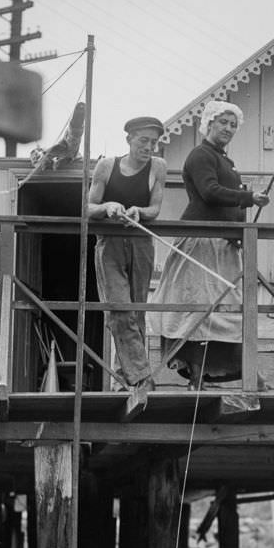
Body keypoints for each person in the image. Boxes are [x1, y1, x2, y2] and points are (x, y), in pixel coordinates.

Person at [148, 100, 269, 387]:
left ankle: (215, 372)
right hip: (201, 242)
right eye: (223, 122)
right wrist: (248, 197)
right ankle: (195, 373)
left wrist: (239, 225)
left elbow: (227, 199)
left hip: (222, 243)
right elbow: (210, 192)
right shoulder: (200, 155)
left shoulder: (226, 161)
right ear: (209, 123)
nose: (228, 128)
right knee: (199, 307)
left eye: (233, 125)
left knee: (225, 307)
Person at [87, 116, 167, 400]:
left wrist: (138, 212)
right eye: (143, 141)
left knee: (136, 313)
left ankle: (126, 380)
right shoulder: (107, 166)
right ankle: (142, 377)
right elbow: (88, 207)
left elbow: (155, 208)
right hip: (109, 245)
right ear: (129, 139)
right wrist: (108, 206)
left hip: (141, 242)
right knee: (119, 310)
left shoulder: (158, 166)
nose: (148, 147)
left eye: (153, 142)